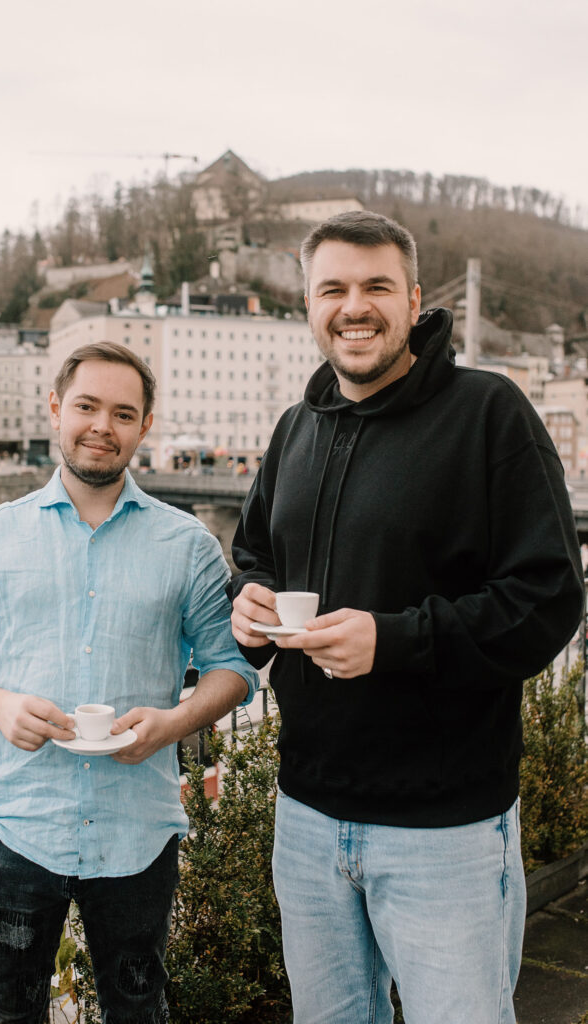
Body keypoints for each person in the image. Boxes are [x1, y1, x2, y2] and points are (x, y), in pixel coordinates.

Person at [229, 212, 584, 1024]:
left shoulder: (489, 413)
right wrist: (246, 604)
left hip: (445, 828)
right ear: (310, 307)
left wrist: (396, 640)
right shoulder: (295, 429)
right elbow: (254, 559)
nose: (355, 307)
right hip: (307, 815)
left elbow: (550, 598)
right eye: (334, 289)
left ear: (415, 299)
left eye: (376, 286)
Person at [0, 341, 259, 1024]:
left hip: (140, 831)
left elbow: (234, 670)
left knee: (138, 1011)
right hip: (19, 825)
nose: (103, 425)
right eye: (87, 406)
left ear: (145, 425)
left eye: (123, 413)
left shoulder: (187, 544)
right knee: (7, 1013)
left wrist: (173, 723)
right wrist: (0, 704)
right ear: (55, 408)